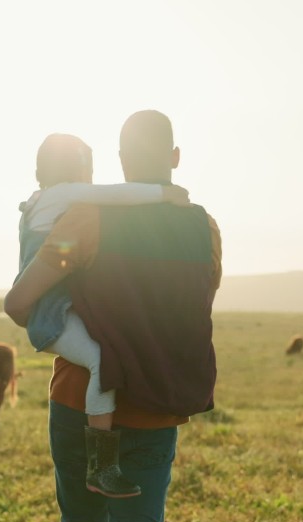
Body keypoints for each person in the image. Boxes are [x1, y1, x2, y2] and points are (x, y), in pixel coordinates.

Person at [5, 110, 221, 522]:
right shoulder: (205, 229)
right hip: (155, 407)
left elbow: (21, 301)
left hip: (79, 404)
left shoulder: (85, 217)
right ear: (174, 159)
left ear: (120, 164)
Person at [15, 133, 189, 498]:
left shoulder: (38, 201)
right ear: (77, 170)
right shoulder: (64, 195)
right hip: (52, 313)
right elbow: (118, 195)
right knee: (102, 360)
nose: (93, 178)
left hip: (55, 308)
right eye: (89, 168)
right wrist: (164, 195)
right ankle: (102, 466)